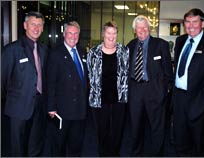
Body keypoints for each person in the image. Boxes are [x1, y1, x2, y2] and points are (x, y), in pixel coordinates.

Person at [172, 8, 204, 156]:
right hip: (179, 100)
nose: (191, 25)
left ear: (203, 23)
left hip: (201, 102)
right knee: (179, 141)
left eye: (195, 22)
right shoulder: (180, 40)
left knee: (200, 145)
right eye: (187, 22)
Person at [1, 11, 48, 156]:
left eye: (39, 25)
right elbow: (2, 81)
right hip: (18, 108)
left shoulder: (44, 49)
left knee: (36, 146)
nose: (36, 28)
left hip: (39, 106)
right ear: (25, 25)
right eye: (33, 24)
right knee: (18, 149)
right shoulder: (11, 50)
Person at [127, 15, 173, 156]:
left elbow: (168, 72)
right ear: (134, 30)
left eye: (145, 27)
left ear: (149, 28)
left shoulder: (161, 44)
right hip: (135, 89)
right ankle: (136, 153)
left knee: (157, 127)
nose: (142, 30)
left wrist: (164, 90)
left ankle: (157, 154)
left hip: (155, 90)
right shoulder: (131, 45)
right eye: (139, 28)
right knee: (135, 126)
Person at [45, 21, 88, 156]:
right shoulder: (55, 53)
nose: (73, 36)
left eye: (76, 33)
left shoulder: (82, 51)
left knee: (76, 146)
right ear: (64, 34)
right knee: (59, 146)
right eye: (70, 33)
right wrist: (51, 106)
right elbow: (50, 82)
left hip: (80, 110)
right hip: (62, 111)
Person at [87, 21, 129, 156]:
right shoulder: (93, 53)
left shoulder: (124, 51)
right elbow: (90, 74)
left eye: (114, 33)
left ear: (117, 34)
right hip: (99, 100)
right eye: (108, 33)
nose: (111, 36)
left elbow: (127, 72)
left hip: (119, 99)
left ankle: (115, 154)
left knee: (117, 131)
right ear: (103, 34)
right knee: (102, 131)